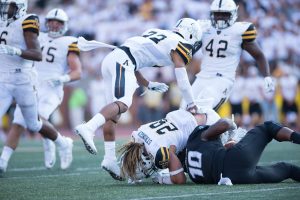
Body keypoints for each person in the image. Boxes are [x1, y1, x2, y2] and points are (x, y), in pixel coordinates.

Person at [75, 18, 202, 180]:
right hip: (122, 61)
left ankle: (110, 159)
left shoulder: (159, 33)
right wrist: (191, 103)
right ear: (191, 35)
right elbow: (182, 79)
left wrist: (147, 84)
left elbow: (134, 58)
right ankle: (89, 127)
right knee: (123, 103)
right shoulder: (180, 44)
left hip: (115, 59)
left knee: (113, 114)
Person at [0, 2, 73, 174]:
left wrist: (64, 78)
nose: (5, 9)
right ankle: (3, 161)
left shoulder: (30, 21)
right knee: (18, 122)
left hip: (27, 80)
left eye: (8, 6)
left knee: (34, 123)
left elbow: (37, 54)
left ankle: (61, 143)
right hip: (4, 78)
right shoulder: (5, 22)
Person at [182, 0, 275, 111]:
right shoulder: (204, 27)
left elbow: (259, 55)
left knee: (203, 108)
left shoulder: (239, 31)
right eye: (217, 14)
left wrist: (267, 76)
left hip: (223, 79)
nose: (220, 17)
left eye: (224, 14)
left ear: (233, 14)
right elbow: (190, 49)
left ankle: (223, 126)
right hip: (202, 77)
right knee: (183, 108)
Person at [119, 106, 221, 183]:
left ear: (145, 163)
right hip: (188, 113)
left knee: (193, 166)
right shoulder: (138, 134)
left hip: (209, 125)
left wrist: (162, 179)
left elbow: (180, 180)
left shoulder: (158, 152)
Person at [183, 119, 300, 184]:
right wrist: (231, 125)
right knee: (267, 127)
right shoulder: (195, 137)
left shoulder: (192, 174)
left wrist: (229, 143)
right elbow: (224, 124)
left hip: (238, 178)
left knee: (287, 169)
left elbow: (212, 163)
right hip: (235, 159)